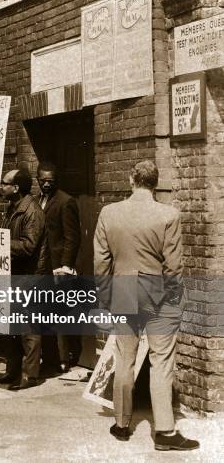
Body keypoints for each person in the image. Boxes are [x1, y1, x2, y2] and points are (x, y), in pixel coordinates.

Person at [94, 160, 199, 451]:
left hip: (123, 290)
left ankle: (121, 423)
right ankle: (164, 432)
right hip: (158, 294)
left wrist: (105, 296)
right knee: (161, 360)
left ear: (131, 180)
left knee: (124, 356)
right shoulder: (168, 214)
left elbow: (101, 261)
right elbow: (173, 266)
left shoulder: (109, 213)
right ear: (155, 183)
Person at [0, 166, 50, 390]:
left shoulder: (31, 211)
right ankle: (12, 371)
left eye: (5, 183)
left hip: (30, 277)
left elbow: (28, 246)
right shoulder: (12, 208)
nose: (1, 186)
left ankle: (30, 375)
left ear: (16, 188)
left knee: (28, 328)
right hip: (15, 274)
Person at [36, 162, 82, 373]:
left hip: (57, 268)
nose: (46, 184)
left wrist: (65, 267)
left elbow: (72, 238)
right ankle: (49, 357)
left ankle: (64, 359)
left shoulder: (66, 201)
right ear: (37, 179)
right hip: (41, 267)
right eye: (43, 180)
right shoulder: (36, 201)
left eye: (50, 181)